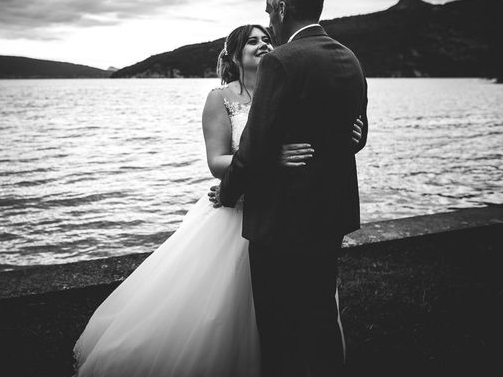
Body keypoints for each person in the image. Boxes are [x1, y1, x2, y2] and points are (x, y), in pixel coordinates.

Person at [73, 24, 364, 376]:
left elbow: (311, 142)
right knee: (227, 310)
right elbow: (217, 162)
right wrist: (271, 159)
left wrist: (350, 134)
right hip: (237, 213)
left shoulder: (286, 88)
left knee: (289, 307)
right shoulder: (220, 98)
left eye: (266, 39)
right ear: (235, 54)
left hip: (284, 213)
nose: (263, 45)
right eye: (253, 41)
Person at [213, 0, 368, 377]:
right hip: (329, 213)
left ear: (282, 8)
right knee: (319, 313)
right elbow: (356, 131)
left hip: (282, 219)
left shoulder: (280, 62)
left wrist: (227, 194)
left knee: (278, 325)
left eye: (269, 9)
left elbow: (254, 146)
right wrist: (354, 139)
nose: (268, 18)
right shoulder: (348, 56)